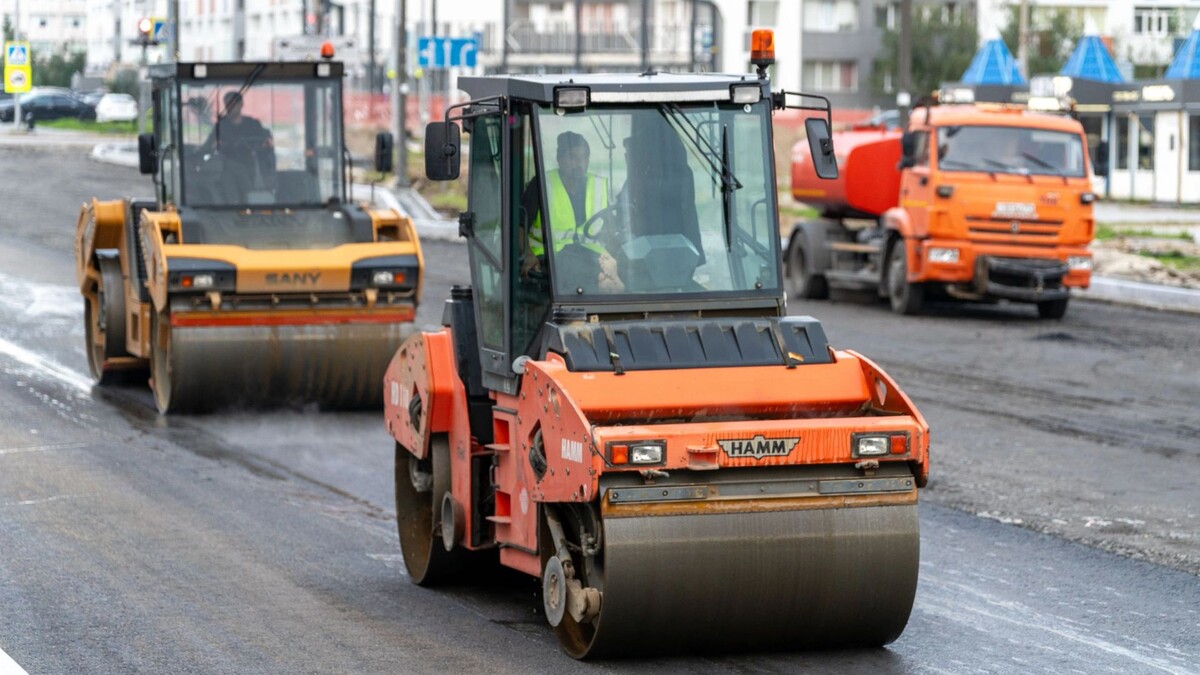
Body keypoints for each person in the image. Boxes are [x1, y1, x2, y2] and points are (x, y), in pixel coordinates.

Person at [522, 131, 622, 292]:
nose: (579, 163)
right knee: (596, 278)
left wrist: (618, 253)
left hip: (589, 256)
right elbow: (518, 227)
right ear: (559, 159)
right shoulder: (541, 185)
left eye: (584, 157)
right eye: (572, 157)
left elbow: (611, 229)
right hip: (550, 258)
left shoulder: (597, 186)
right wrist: (528, 255)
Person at [204, 91, 275, 200]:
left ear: (241, 104)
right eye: (227, 104)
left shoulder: (253, 125)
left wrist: (262, 145)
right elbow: (208, 146)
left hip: (254, 166)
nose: (230, 107)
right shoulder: (221, 126)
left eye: (233, 104)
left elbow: (266, 144)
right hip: (228, 167)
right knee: (229, 174)